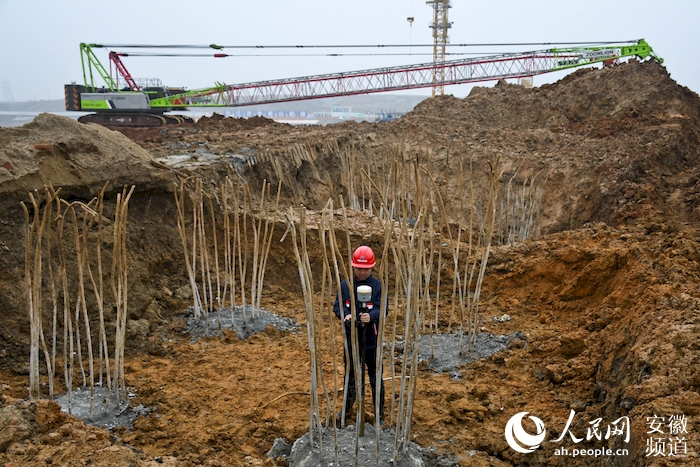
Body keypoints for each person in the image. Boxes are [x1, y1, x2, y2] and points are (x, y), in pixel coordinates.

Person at [333, 245, 388, 426]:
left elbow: (383, 309)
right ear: (353, 267)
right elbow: (337, 307)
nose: (362, 272)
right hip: (352, 341)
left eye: (366, 269)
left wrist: (370, 316)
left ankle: (379, 414)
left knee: (374, 377)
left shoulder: (378, 286)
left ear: (372, 267)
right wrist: (345, 315)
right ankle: (347, 409)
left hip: (372, 341)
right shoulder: (345, 285)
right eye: (359, 269)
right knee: (351, 376)